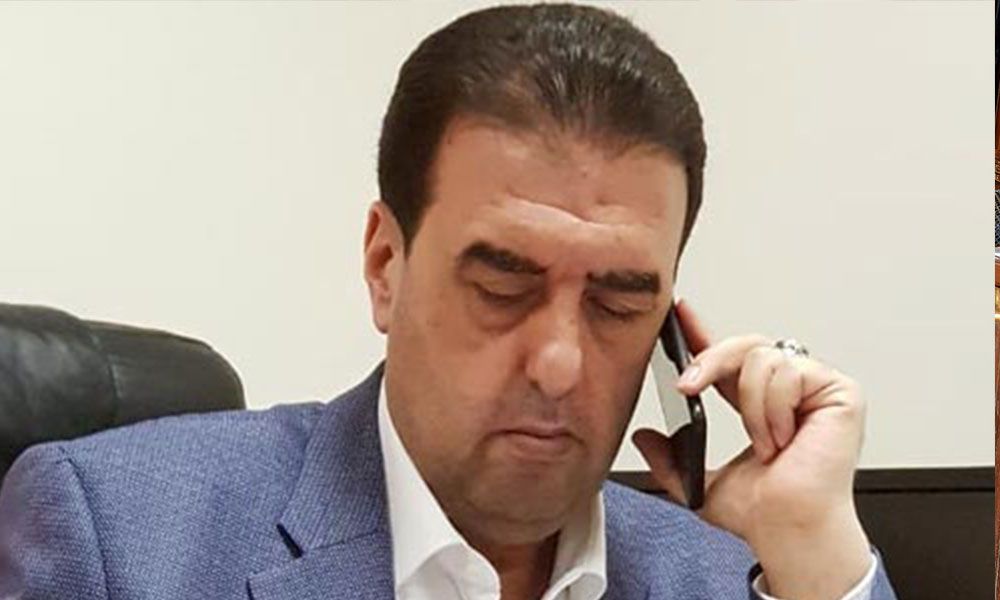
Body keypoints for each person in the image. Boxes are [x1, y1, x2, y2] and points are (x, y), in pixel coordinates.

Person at [0, 4, 897, 599]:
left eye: (618, 306)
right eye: (502, 286)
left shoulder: (724, 579)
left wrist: (817, 560)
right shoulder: (119, 540)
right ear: (385, 265)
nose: (560, 363)